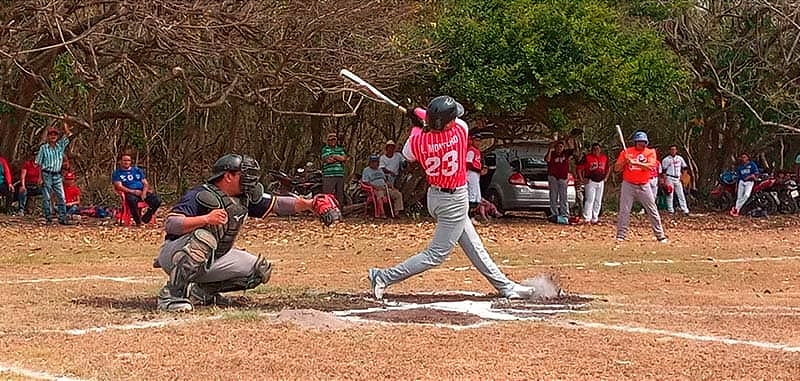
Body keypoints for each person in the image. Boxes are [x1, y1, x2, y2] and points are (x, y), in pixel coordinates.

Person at [368, 96, 537, 300]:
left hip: (435, 197)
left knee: (474, 246)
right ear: (447, 122)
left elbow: (408, 153)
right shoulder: (460, 131)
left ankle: (505, 287)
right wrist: (418, 113)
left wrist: (417, 124)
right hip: (453, 200)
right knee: (435, 255)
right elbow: (437, 121)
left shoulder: (417, 139)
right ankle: (383, 277)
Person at [155, 154, 341, 311]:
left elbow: (277, 204)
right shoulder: (199, 194)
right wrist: (205, 219)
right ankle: (171, 295)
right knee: (205, 237)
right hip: (175, 253)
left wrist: (309, 204)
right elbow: (171, 224)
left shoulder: (245, 198)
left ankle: (201, 292)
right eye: (244, 174)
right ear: (228, 176)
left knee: (258, 270)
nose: (249, 179)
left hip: (213, 257)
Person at [614, 131, 668, 243]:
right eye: (639, 142)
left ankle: (660, 235)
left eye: (644, 142)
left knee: (652, 209)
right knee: (624, 210)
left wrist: (635, 163)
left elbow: (650, 167)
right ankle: (621, 235)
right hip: (628, 184)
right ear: (635, 142)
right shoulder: (626, 152)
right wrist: (625, 162)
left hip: (644, 184)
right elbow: (617, 168)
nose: (642, 144)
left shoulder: (650, 152)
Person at [36, 121, 72, 225]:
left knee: (61, 196)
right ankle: (48, 217)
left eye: (55, 135)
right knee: (46, 197)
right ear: (48, 136)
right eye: (51, 134)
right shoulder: (43, 148)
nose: (53, 136)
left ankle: (62, 218)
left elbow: (68, 135)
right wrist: (40, 177)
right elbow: (39, 164)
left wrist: (65, 122)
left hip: (57, 174)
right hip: (46, 174)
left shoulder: (60, 147)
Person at [112, 154, 162, 225]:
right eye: (124, 160)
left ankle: (147, 216)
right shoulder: (117, 173)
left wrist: (144, 193)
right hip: (129, 192)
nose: (126, 162)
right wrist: (133, 191)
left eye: (128, 160)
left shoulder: (137, 170)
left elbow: (145, 183)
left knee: (157, 200)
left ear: (131, 162)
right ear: (120, 161)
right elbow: (118, 186)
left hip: (141, 191)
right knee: (131, 201)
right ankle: (138, 221)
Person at [576, 143, 609, 224]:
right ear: (592, 150)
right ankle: (587, 218)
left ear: (600, 149)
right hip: (590, 181)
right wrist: (581, 179)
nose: (596, 150)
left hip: (600, 181)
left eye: (598, 149)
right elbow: (579, 169)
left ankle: (595, 218)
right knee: (590, 199)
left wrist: (606, 178)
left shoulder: (604, 158)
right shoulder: (587, 158)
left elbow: (608, 168)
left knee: (598, 200)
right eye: (594, 149)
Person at [544, 139, 574, 217]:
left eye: (561, 147)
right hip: (553, 177)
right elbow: (547, 159)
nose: (559, 148)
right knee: (553, 196)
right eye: (557, 147)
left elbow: (572, 150)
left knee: (563, 196)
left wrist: (568, 140)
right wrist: (550, 149)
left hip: (563, 177)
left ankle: (565, 213)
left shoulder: (565, 154)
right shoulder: (552, 154)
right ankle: (554, 213)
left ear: (563, 147)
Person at [662, 145, 690, 215]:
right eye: (671, 149)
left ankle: (685, 210)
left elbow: (685, 167)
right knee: (670, 194)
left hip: (678, 178)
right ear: (669, 150)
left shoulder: (680, 158)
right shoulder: (666, 159)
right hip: (669, 177)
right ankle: (670, 210)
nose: (673, 151)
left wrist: (683, 177)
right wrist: (665, 181)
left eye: (674, 149)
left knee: (681, 194)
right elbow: (664, 171)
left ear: (676, 150)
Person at [321, 132, 348, 205]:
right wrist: (337, 157)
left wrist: (334, 156)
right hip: (328, 175)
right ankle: (327, 209)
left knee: (340, 194)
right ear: (328, 141)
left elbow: (343, 158)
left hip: (339, 175)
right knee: (328, 194)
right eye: (330, 140)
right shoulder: (325, 149)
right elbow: (328, 160)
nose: (332, 141)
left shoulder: (340, 149)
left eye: (334, 139)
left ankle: (339, 210)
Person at [731, 152, 759, 217]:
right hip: (742, 182)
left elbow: (756, 173)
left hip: (749, 182)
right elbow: (738, 176)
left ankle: (736, 208)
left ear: (747, 158)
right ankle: (737, 211)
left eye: (744, 157)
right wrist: (736, 185)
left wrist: (752, 176)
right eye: (742, 157)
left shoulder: (752, 165)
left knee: (746, 195)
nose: (743, 159)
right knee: (739, 197)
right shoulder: (740, 167)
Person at [16, 149, 42, 216]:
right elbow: (23, 176)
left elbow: (41, 177)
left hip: (36, 186)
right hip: (27, 185)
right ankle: (21, 209)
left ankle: (47, 210)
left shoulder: (41, 165)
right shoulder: (27, 164)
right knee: (22, 191)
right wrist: (23, 185)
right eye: (35, 155)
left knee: (47, 191)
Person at [466, 132, 483, 221]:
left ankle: (472, 215)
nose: (478, 143)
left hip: (475, 175)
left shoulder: (477, 151)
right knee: (471, 195)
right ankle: (469, 216)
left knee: (476, 196)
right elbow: (468, 163)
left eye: (479, 141)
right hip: (471, 174)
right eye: (476, 141)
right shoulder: (471, 151)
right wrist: (478, 170)